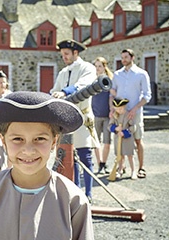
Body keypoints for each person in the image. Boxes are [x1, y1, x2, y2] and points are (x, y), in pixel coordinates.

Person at [0, 91, 94, 239]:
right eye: (17, 139)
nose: (29, 151)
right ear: (3, 141)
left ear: (54, 142)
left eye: (40, 138)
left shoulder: (74, 201)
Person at [50, 39, 100, 203]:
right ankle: (76, 190)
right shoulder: (63, 72)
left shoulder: (88, 68)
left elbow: (83, 85)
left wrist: (64, 92)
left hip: (82, 117)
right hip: (66, 118)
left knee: (85, 156)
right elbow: (55, 90)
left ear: (75, 53)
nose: (64, 57)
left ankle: (89, 193)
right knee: (71, 157)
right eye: (62, 54)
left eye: (66, 54)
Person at [109, 49, 151, 178]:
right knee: (119, 138)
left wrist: (134, 108)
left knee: (138, 140)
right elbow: (112, 93)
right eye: (122, 57)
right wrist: (112, 109)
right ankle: (121, 167)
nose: (123, 60)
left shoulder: (142, 74)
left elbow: (147, 95)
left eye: (126, 57)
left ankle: (141, 168)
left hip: (135, 113)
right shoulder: (116, 75)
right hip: (119, 113)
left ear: (132, 57)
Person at [92, 57, 113, 174]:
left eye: (99, 66)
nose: (97, 68)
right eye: (95, 66)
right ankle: (100, 163)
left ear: (104, 66)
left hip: (108, 115)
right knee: (96, 142)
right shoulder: (92, 80)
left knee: (107, 142)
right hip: (96, 115)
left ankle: (104, 163)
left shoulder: (110, 80)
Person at [108, 97, 137, 180]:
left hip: (127, 139)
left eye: (120, 109)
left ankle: (133, 171)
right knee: (120, 156)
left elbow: (133, 127)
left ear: (124, 107)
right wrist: (116, 128)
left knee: (130, 155)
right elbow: (109, 126)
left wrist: (125, 132)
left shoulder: (128, 115)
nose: (119, 111)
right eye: (117, 109)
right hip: (118, 139)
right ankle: (120, 170)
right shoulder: (114, 115)